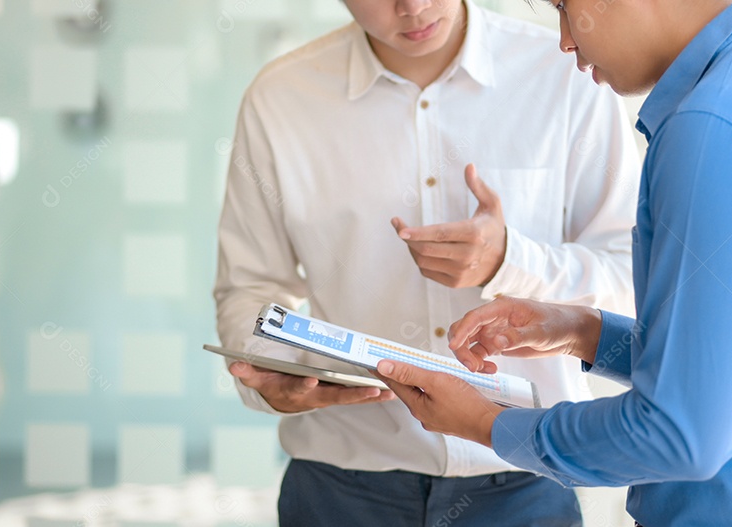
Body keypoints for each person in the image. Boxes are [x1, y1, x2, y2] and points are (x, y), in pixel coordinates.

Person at [373, 0, 732, 525]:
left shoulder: (713, 126)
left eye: (564, 8)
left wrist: (487, 424)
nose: (567, 40)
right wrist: (583, 331)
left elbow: (679, 436)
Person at [213, 0, 640, 524]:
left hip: (524, 481)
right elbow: (249, 288)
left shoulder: (566, 73)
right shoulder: (280, 98)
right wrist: (270, 378)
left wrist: (510, 260)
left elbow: (634, 280)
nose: (412, 7)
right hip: (338, 487)